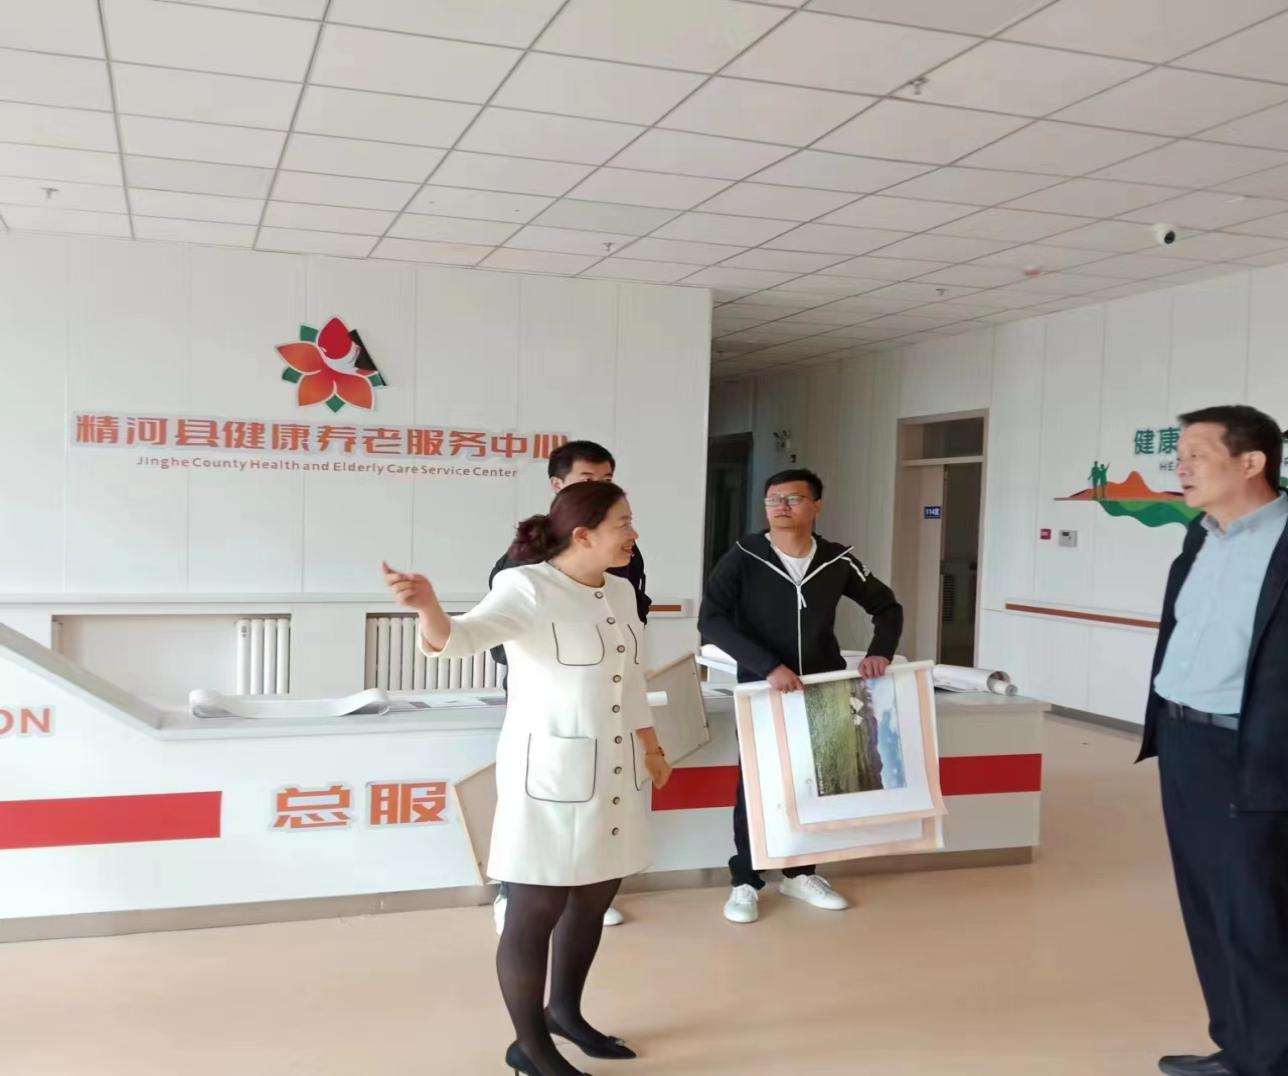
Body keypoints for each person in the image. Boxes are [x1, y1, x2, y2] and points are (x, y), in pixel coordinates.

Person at [384, 481, 671, 1076]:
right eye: (623, 523)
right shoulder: (527, 587)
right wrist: (428, 607)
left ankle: (564, 1013)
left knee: (594, 896)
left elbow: (632, 680)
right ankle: (531, 1046)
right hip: (550, 776)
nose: (634, 534)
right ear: (583, 534)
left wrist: (652, 745)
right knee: (534, 910)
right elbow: (460, 639)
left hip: (613, 769)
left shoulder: (620, 592)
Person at [1140, 405, 1288, 1076]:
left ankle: (1271, 1058)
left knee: (1256, 909)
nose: (1182, 467)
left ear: (1251, 461)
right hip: (1182, 739)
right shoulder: (1198, 540)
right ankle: (1239, 1047)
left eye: (1196, 454)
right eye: (1179, 456)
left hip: (1254, 748)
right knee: (1205, 903)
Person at [698, 468, 903, 924]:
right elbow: (711, 620)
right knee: (758, 782)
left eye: (793, 499)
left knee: (816, 779)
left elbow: (887, 607)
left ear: (816, 506)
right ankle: (746, 880)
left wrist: (880, 652)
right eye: (773, 499)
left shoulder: (836, 559)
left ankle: (801, 873)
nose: (781, 507)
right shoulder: (744, 556)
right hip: (762, 687)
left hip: (822, 688)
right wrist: (768, 666)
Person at [490, 440, 649, 932]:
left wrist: (650, 743)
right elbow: (486, 637)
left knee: (596, 837)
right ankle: (514, 892)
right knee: (538, 847)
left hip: (607, 711)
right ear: (559, 487)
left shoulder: (622, 572)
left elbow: (630, 643)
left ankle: (586, 885)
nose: (600, 488)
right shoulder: (522, 571)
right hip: (551, 714)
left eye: (607, 480)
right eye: (588, 480)